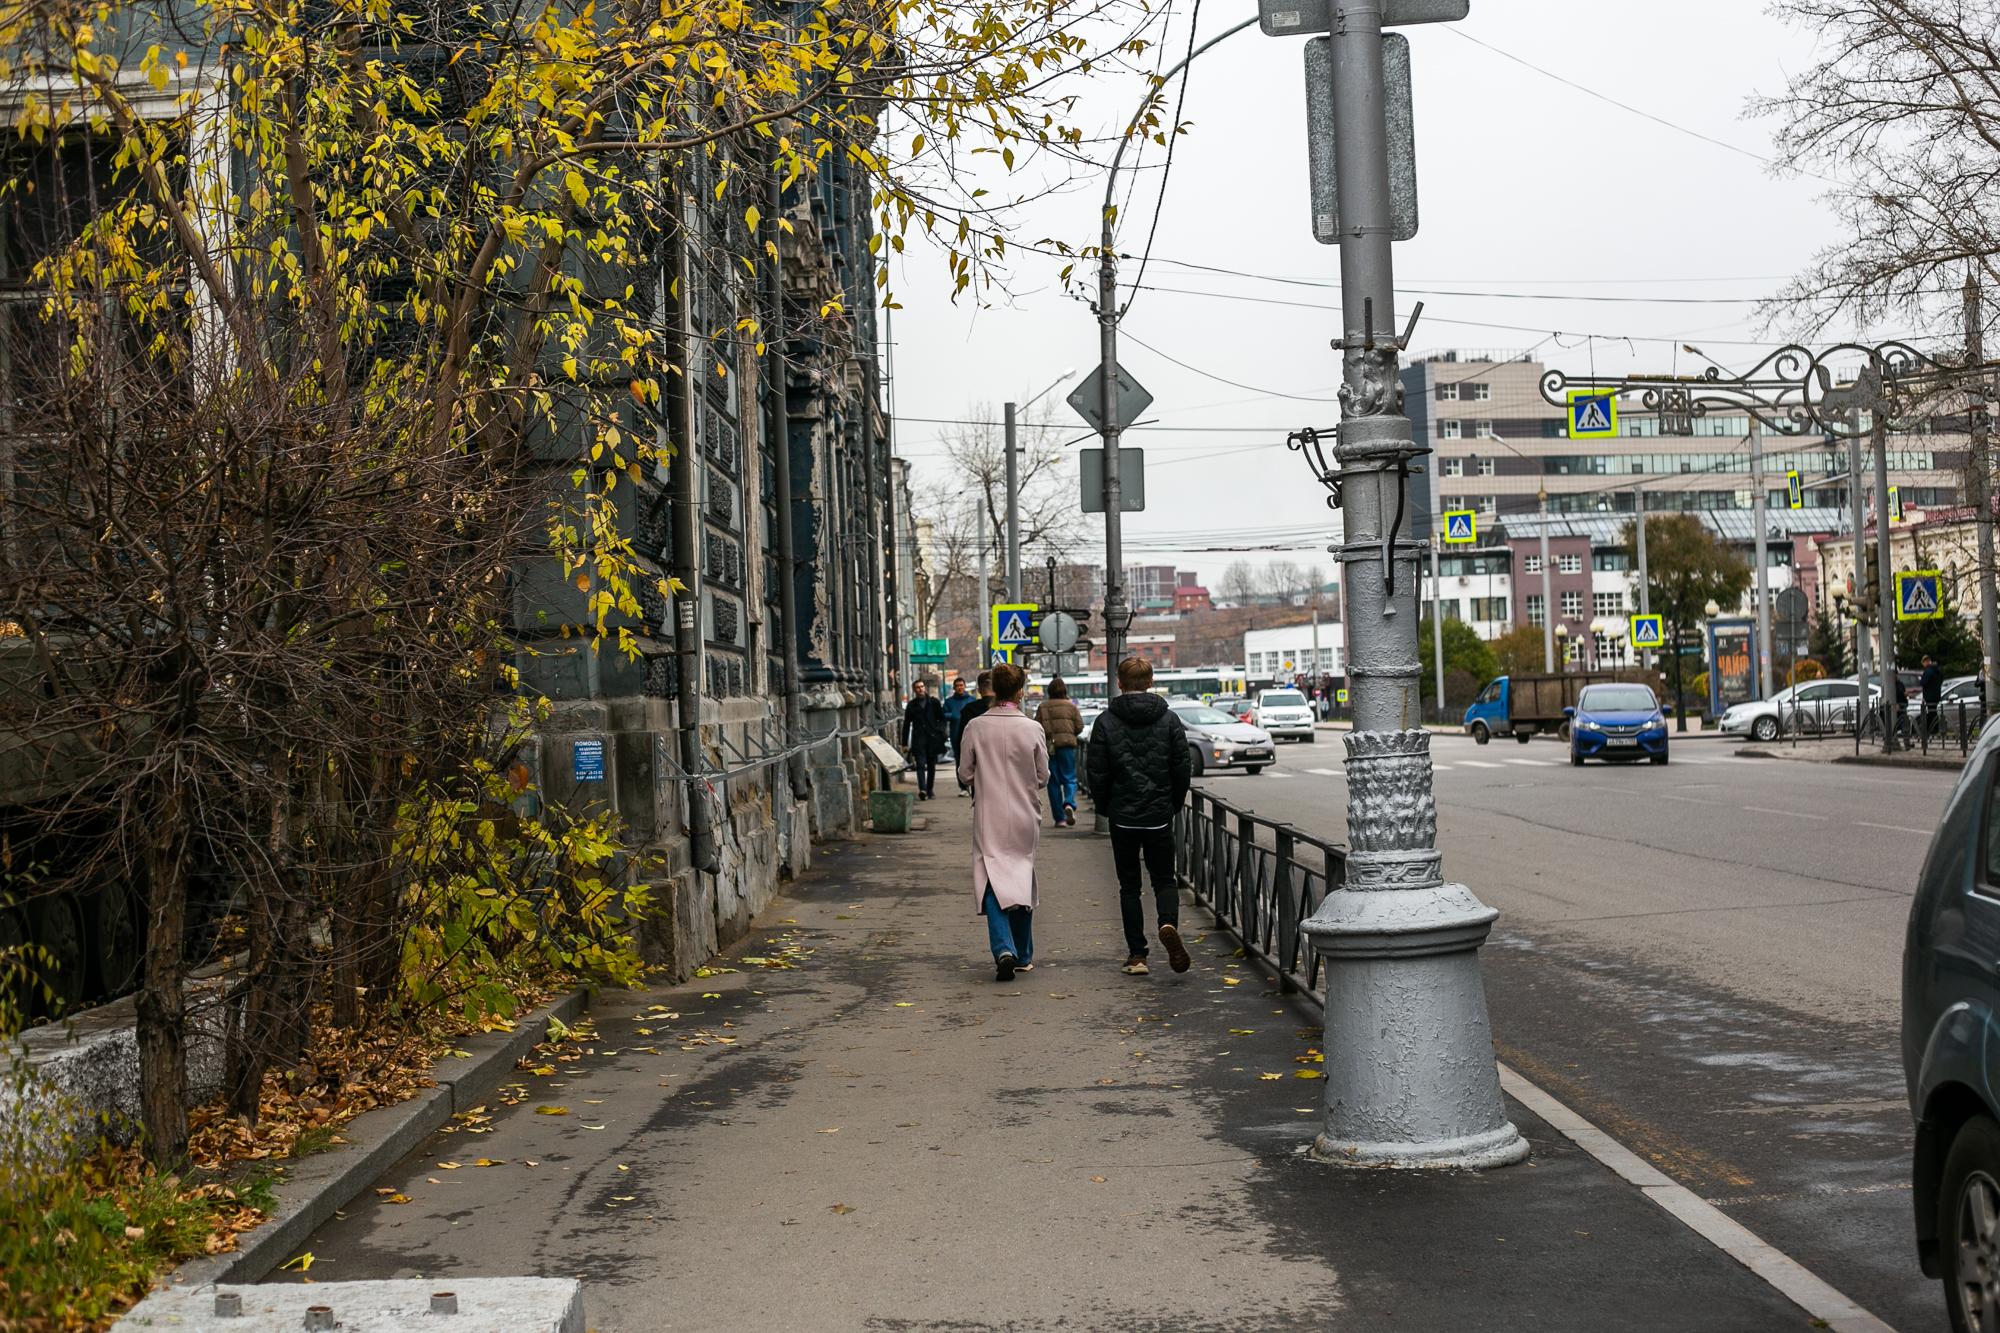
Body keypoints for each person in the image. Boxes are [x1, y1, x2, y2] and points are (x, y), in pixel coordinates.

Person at [1086, 656, 1193, 977]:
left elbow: (1097, 771)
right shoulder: (1169, 720)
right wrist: (1173, 802)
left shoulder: (1106, 721)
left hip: (1123, 816)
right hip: (1159, 813)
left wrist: (1106, 807)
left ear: (1119, 682)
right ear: (1151, 681)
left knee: (1129, 886)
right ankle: (1168, 923)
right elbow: (1181, 766)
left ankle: (1137, 956)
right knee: (1164, 878)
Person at [958, 662, 1049, 981]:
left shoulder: (976, 727)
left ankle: (1004, 948)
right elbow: (1042, 776)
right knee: (1021, 877)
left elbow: (965, 773)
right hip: (1025, 813)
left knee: (991, 879)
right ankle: (1022, 954)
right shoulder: (1032, 728)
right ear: (1021, 691)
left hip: (989, 812)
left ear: (994, 689)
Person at [1037, 677, 1083, 828]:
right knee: (1070, 778)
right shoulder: (1071, 706)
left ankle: (1060, 819)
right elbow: (1079, 727)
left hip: (1050, 748)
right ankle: (1069, 802)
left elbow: (1037, 727)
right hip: (1067, 746)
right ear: (1065, 691)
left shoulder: (1043, 707)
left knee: (1053, 783)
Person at [901, 678, 947, 800]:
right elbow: (906, 725)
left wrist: (940, 730)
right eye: (918, 687)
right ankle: (922, 789)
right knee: (920, 764)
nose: (920, 689)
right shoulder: (911, 705)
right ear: (914, 690)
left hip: (932, 738)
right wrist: (904, 743)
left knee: (931, 765)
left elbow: (942, 719)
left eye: (922, 687)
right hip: (919, 739)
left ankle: (930, 789)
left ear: (924, 688)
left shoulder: (934, 703)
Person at [955, 671, 995, 797]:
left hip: (979, 763)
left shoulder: (969, 710)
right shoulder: (1005, 709)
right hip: (1002, 764)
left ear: (979, 690)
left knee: (981, 805)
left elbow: (963, 740)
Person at [942, 676, 973, 764]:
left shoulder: (971, 700)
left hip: (969, 733)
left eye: (961, 685)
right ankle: (959, 777)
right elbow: (943, 714)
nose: (960, 687)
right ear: (954, 688)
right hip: (955, 734)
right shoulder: (949, 701)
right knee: (958, 758)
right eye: (957, 686)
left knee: (970, 758)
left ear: (965, 686)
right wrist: (953, 715)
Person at [1921, 654, 1944, 740]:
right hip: (1936, 695)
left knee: (1931, 712)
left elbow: (1923, 682)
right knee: (1933, 712)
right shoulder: (1937, 670)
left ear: (1926, 661)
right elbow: (1941, 679)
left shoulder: (1928, 671)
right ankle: (1935, 729)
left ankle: (1931, 730)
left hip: (1929, 696)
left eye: (1923, 663)